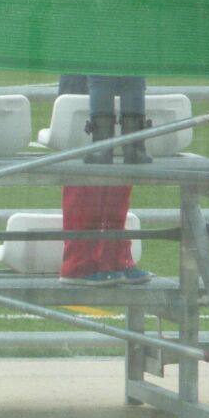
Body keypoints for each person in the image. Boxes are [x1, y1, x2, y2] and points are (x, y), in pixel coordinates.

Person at [57, 74, 154, 285]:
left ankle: (114, 259)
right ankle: (79, 264)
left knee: (119, 175)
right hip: (86, 70)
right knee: (87, 175)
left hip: (118, 66)